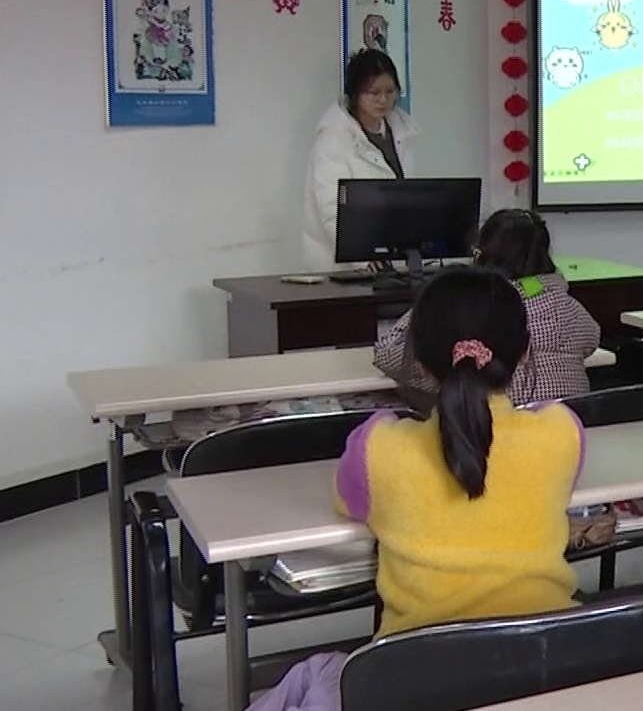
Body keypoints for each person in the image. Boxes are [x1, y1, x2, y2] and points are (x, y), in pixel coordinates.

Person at [249, 269, 584, 711]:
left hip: (413, 680)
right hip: (545, 667)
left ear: (420, 363)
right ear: (524, 353)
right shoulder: (562, 432)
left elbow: (349, 502)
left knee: (315, 674)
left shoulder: (377, 447)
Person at [373, 209, 599, 410]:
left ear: (482, 252)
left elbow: (389, 356)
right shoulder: (569, 306)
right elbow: (591, 340)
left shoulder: (474, 308)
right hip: (569, 430)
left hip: (491, 432)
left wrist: (430, 301)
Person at [301, 49, 418, 271]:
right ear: (355, 94)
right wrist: (363, 256)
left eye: (390, 91)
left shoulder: (401, 131)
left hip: (389, 260)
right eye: (374, 92)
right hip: (342, 266)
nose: (383, 100)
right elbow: (332, 211)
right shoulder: (333, 139)